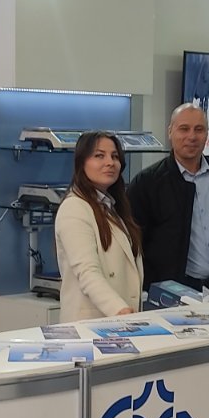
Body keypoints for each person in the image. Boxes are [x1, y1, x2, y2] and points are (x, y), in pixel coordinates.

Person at [129, 102, 209, 304]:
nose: (192, 136)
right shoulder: (148, 182)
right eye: (184, 129)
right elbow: (133, 242)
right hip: (170, 294)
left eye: (199, 129)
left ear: (207, 135)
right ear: (170, 132)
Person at [53, 131, 144, 322]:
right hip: (92, 323)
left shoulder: (112, 206)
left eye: (115, 156)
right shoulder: (74, 208)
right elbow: (87, 272)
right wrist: (120, 310)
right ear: (82, 162)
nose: (110, 162)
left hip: (120, 322)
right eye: (99, 156)